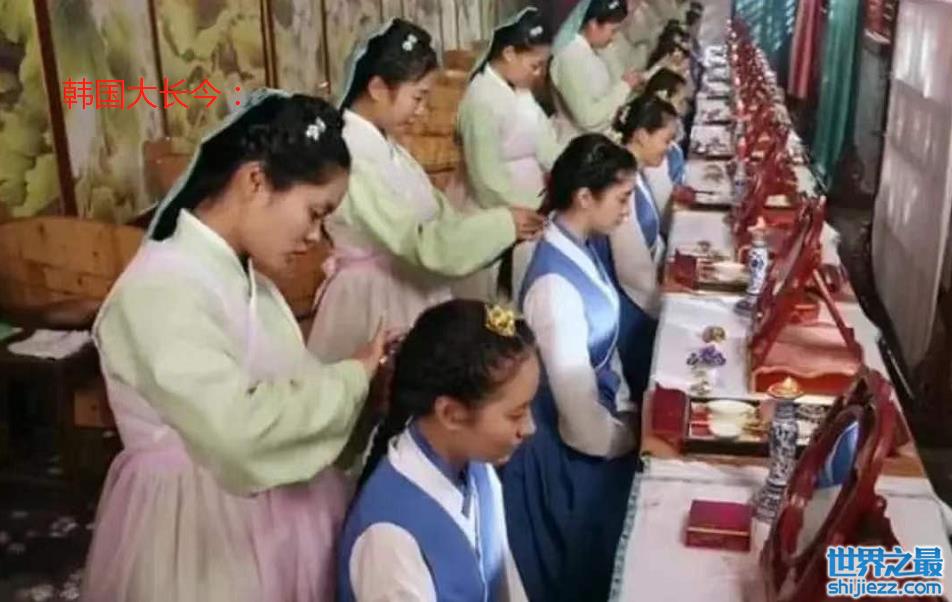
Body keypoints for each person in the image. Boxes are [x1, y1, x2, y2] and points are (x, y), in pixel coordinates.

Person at [81, 91, 395, 602]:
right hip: (197, 537)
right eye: (314, 213)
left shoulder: (250, 281)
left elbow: (284, 395)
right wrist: (351, 377)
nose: (316, 238)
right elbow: (238, 432)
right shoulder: (159, 290)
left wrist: (365, 391)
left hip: (275, 517)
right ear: (255, 181)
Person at [308, 19, 543, 364]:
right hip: (373, 298)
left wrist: (501, 228)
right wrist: (502, 225)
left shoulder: (390, 148)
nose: (421, 112)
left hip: (410, 283)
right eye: (417, 97)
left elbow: (441, 219)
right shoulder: (351, 154)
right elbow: (420, 242)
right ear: (378, 88)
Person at [502, 134, 640, 602]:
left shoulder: (580, 245)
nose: (627, 210)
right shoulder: (554, 287)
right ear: (584, 197)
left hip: (593, 419)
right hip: (566, 447)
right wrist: (628, 436)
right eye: (621, 198)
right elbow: (579, 421)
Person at [338, 300, 539, 601]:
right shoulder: (390, 537)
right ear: (451, 414)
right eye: (516, 414)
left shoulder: (478, 470)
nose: (530, 427)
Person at [453, 7, 561, 303]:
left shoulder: (521, 92)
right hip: (497, 212)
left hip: (533, 206)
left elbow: (545, 144)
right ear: (510, 53)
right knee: (497, 297)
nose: (538, 74)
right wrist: (528, 212)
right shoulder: (481, 99)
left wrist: (563, 177)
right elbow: (487, 181)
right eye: (534, 65)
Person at [595, 96, 680, 399]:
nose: (670, 147)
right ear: (642, 135)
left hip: (642, 290)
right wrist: (665, 305)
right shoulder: (623, 184)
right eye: (665, 139)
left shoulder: (637, 171)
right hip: (630, 304)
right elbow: (631, 269)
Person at [549, 0, 643, 140]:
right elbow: (588, 118)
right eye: (612, 31)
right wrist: (624, 87)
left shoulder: (594, 48)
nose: (613, 37)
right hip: (581, 144)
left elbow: (614, 83)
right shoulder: (569, 55)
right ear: (593, 25)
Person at [640, 68, 693, 214]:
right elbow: (663, 205)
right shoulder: (654, 153)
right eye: (680, 102)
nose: (685, 108)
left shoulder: (667, 137)